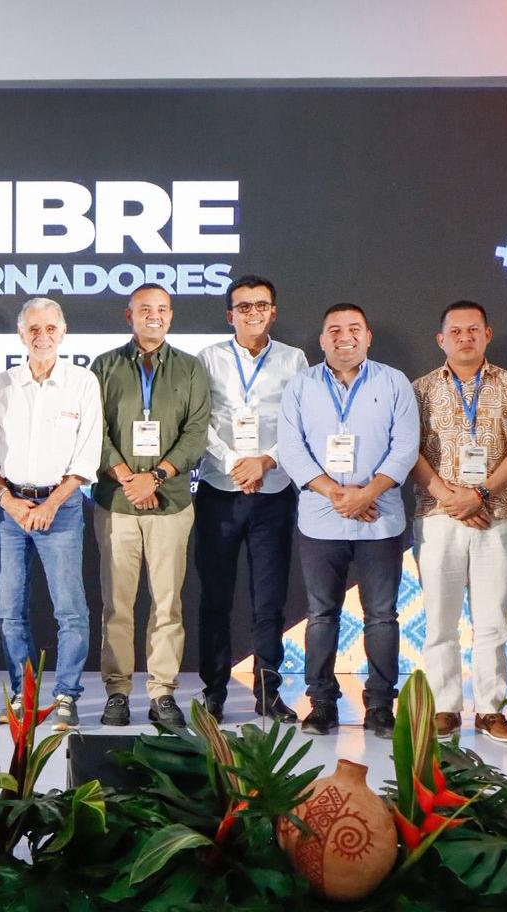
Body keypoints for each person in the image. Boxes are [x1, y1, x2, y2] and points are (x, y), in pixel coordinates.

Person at [277, 303, 418, 738]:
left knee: (382, 616)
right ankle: (321, 703)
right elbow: (291, 448)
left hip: (381, 519)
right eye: (334, 330)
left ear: (368, 335)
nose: (344, 336)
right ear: (322, 340)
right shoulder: (300, 385)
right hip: (322, 518)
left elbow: (406, 446)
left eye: (354, 328)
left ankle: (379, 705)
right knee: (321, 615)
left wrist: (366, 494)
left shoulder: (394, 382)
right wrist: (339, 495)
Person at [409, 301, 507, 744]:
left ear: (488, 334)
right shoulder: (420, 389)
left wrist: (479, 494)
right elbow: (411, 452)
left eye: (473, 330)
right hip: (437, 517)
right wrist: (451, 497)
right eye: (456, 331)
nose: (465, 337)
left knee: (491, 621)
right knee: (439, 621)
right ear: (441, 339)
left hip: (496, 517)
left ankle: (490, 709)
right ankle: (445, 707)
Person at [89, 284, 211, 728]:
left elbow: (196, 433)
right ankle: (117, 692)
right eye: (145, 309)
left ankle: (162, 693)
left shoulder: (192, 369)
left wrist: (156, 477)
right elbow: (93, 431)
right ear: (129, 316)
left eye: (161, 309)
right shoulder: (104, 366)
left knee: (167, 603)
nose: (153, 316)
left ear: (171, 317)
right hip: (117, 503)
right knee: (117, 604)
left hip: (171, 503)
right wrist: (127, 478)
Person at [0, 297, 102, 732]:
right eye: (34, 329)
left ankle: (66, 695)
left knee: (70, 609)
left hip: (63, 507)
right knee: (9, 608)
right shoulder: (1, 385)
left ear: (63, 332)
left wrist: (51, 505)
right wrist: (10, 502)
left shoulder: (83, 383)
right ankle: (24, 694)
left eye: (50, 328)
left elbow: (86, 456)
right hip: (9, 509)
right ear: (21, 335)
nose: (42, 336)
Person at [193, 275, 307, 723]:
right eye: (243, 307)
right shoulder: (209, 359)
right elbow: (198, 421)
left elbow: (299, 423)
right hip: (221, 491)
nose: (253, 312)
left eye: (261, 305)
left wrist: (265, 461)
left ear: (273, 312)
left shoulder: (294, 360)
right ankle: (214, 692)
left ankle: (267, 690)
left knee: (269, 599)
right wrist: (234, 463)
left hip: (273, 492)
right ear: (230, 315)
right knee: (215, 598)